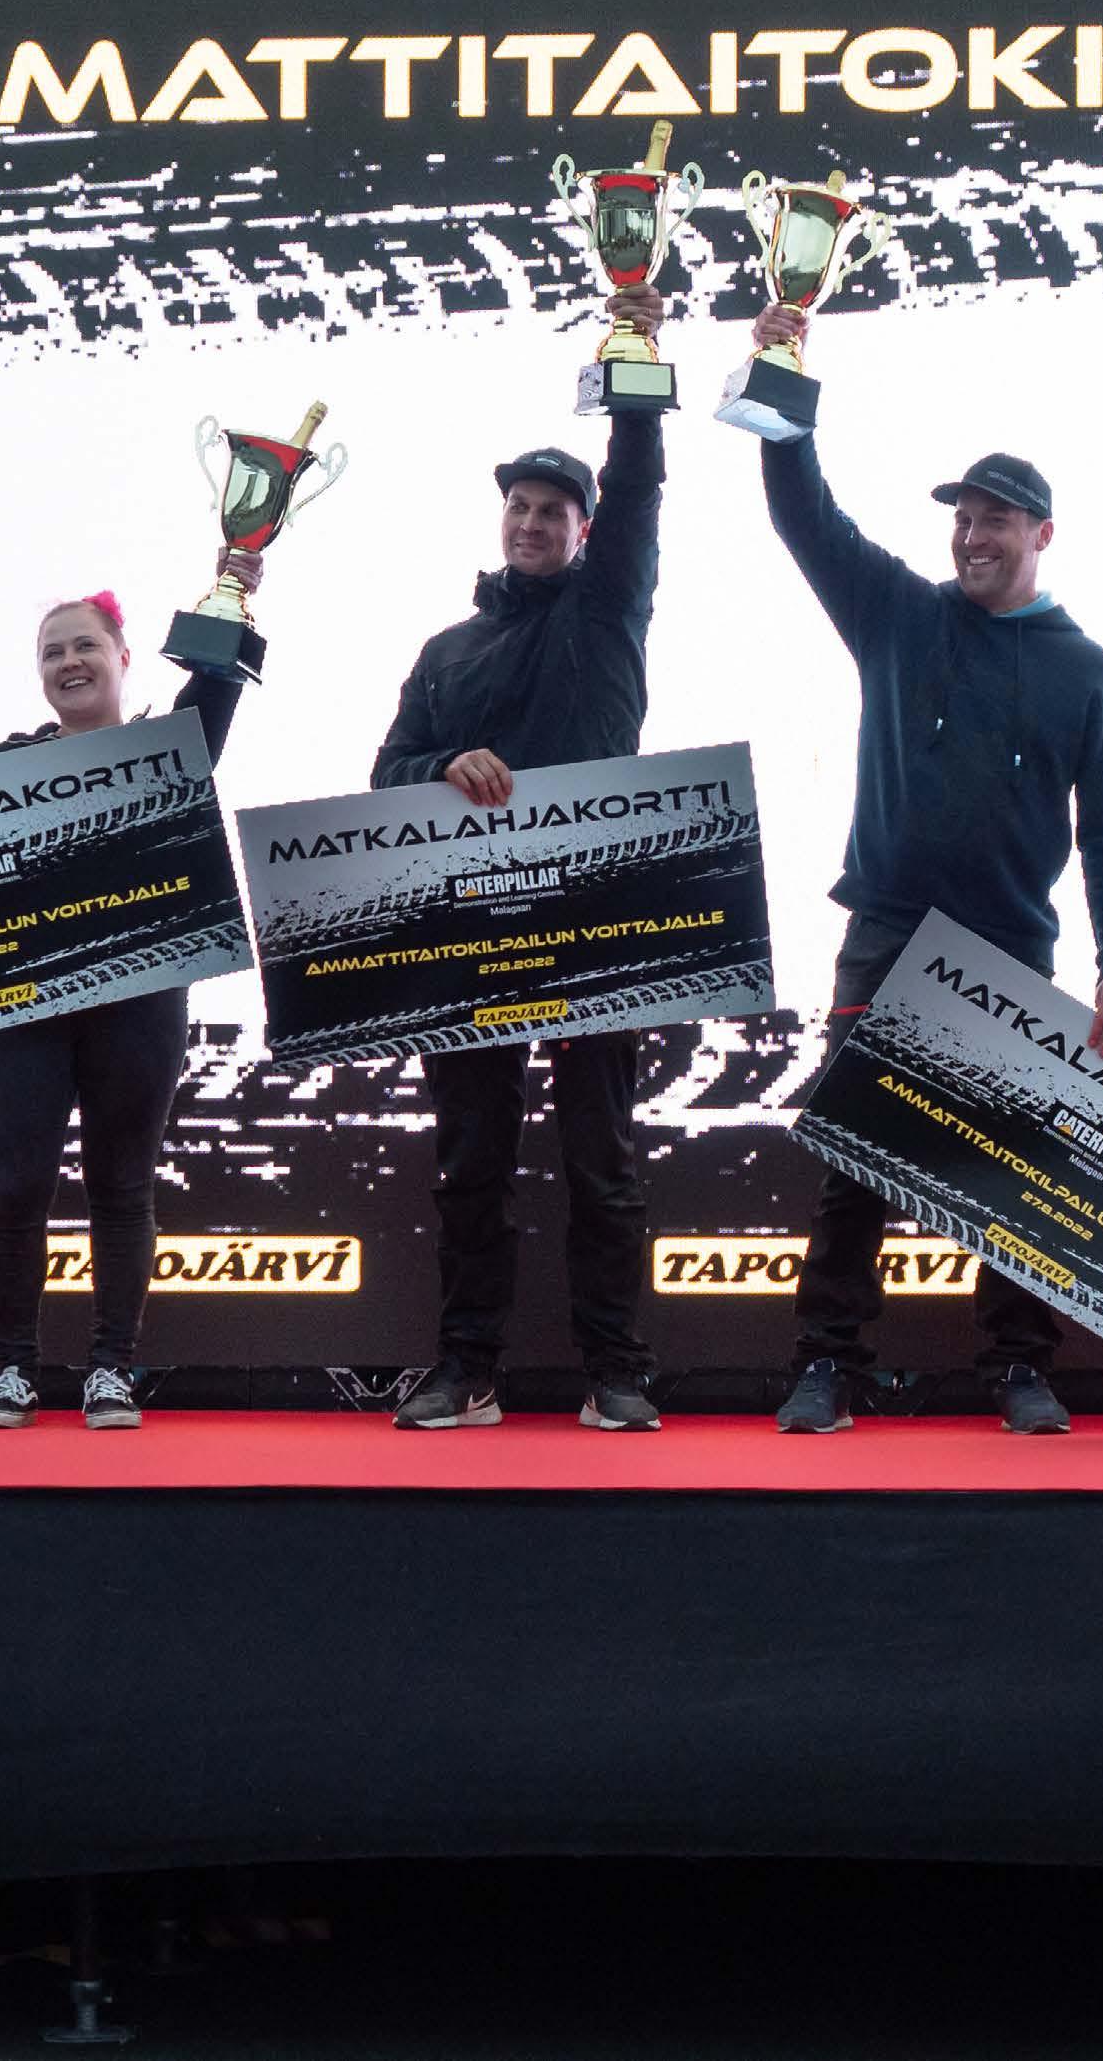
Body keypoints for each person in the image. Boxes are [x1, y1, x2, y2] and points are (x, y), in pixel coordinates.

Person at [752, 308, 1103, 1439]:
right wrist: (785, 382)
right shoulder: (897, 616)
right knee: (856, 1158)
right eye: (963, 518)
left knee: (1013, 1169)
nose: (972, 536)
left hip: (1011, 945)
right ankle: (827, 1364)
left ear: (1043, 534)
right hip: (886, 931)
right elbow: (804, 514)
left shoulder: (1090, 673)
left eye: (995, 520)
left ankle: (1018, 1365)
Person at [372, 286, 669, 1434]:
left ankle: (619, 1372)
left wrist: (635, 363)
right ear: (500, 518)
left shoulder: (606, 612)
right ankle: (467, 1371)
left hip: (596, 919)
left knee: (603, 1161)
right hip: (469, 930)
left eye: (554, 509)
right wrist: (442, 765)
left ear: (586, 531)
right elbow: (385, 773)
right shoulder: (445, 650)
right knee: (471, 1164)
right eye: (520, 506)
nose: (533, 522)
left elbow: (637, 487)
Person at [0, 566, 259, 1432]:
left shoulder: (170, 749)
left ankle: (111, 1370)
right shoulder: (6, 763)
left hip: (140, 1002)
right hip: (27, 1011)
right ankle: (12, 1371)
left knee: (121, 1188)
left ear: (122, 658)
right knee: (15, 1190)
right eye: (53, 652)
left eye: (85, 646)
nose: (69, 661)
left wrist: (233, 585)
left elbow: (217, 683)